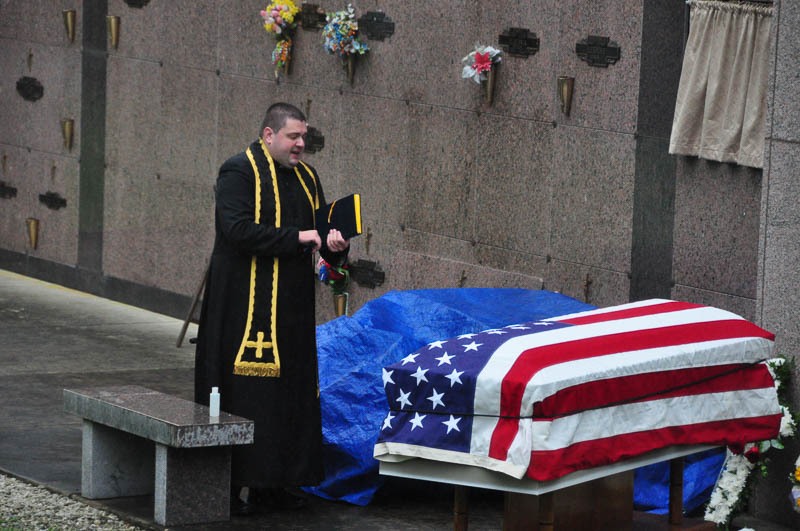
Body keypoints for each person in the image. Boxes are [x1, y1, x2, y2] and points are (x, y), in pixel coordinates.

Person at [194, 102, 349, 515]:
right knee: (242, 396)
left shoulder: (308, 177)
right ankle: (230, 486)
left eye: (304, 137)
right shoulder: (238, 171)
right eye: (293, 136)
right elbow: (237, 230)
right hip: (242, 308)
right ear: (268, 135)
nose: (300, 144)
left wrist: (335, 246)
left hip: (292, 310)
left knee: (288, 397)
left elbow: (319, 237)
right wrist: (298, 237)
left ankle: (276, 484)